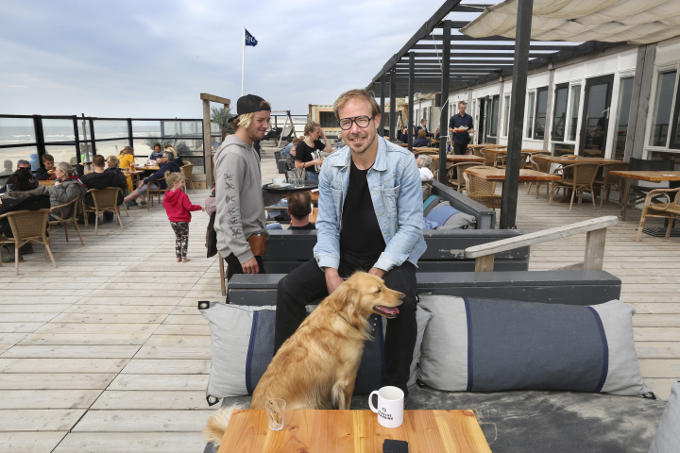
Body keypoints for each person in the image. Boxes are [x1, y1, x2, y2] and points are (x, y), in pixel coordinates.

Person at [275, 88, 426, 395]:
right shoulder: (333, 166)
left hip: (390, 257)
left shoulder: (402, 162)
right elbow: (328, 224)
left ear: (377, 120)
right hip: (345, 257)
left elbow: (411, 227)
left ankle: (393, 392)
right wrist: (330, 269)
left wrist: (377, 273)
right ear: (340, 128)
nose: (354, 129)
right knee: (288, 289)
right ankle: (287, 381)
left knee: (405, 303)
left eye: (361, 120)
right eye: (346, 123)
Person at [214, 94, 270, 280]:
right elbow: (227, 209)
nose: (266, 125)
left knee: (244, 299)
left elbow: (248, 196)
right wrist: (244, 253)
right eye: (260, 120)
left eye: (267, 120)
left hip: (252, 240)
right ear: (244, 120)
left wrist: (280, 194)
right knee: (247, 301)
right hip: (241, 245)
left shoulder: (250, 150)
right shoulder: (233, 155)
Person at [0, 167, 50, 241]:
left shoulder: (9, 200)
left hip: (14, 233)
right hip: (39, 229)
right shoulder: (43, 196)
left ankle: (13, 246)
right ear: (31, 180)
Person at [162, 172, 202, 263]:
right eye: (182, 182)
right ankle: (184, 257)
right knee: (184, 238)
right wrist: (200, 207)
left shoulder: (166, 195)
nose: (184, 184)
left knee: (178, 237)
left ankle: (178, 257)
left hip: (172, 220)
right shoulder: (182, 195)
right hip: (182, 220)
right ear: (175, 183)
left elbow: (165, 205)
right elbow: (189, 207)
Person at [80, 155, 127, 222]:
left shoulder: (87, 178)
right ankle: (108, 213)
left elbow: (79, 182)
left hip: (94, 202)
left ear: (93, 164)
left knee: (84, 195)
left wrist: (80, 168)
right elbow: (123, 186)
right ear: (104, 164)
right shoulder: (114, 175)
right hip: (113, 201)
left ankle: (92, 218)